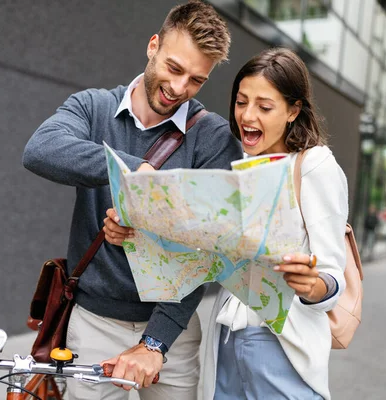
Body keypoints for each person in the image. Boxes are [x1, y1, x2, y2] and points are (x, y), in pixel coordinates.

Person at [22, 2, 242, 399]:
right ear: (152, 45)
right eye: (174, 68)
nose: (179, 89)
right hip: (92, 322)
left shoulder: (214, 138)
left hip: (172, 327)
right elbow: (40, 150)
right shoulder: (94, 108)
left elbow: (208, 250)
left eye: (196, 80)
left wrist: (155, 343)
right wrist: (134, 171)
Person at [202, 48, 349, 399]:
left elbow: (333, 272)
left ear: (293, 110)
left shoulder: (314, 166)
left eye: (264, 107)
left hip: (280, 345)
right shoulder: (240, 164)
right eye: (241, 101)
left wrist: (313, 286)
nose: (247, 116)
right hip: (227, 338)